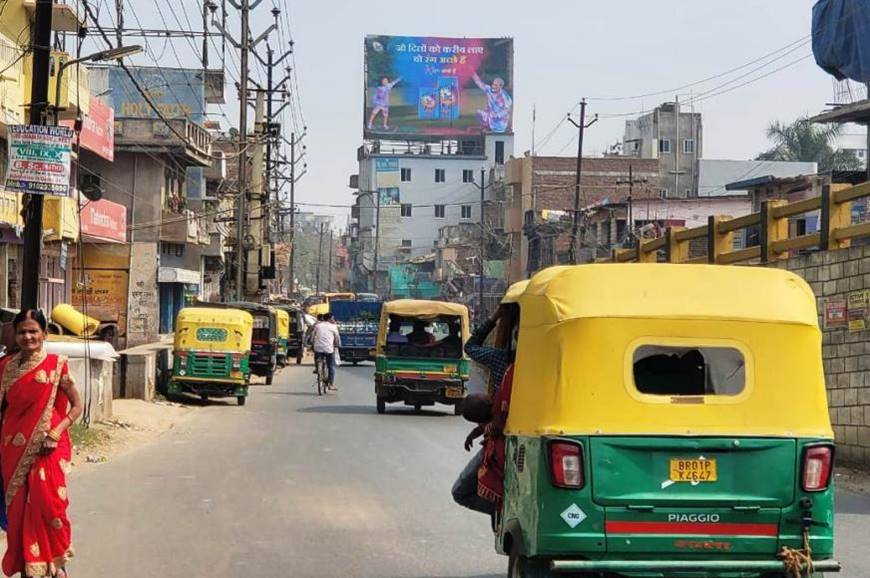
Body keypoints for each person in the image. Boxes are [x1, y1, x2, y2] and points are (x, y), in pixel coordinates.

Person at [0, 309, 83, 578]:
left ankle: (57, 566)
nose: (27, 336)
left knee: (48, 506)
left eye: (33, 331)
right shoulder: (5, 367)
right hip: (12, 448)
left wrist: (56, 433)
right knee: (18, 510)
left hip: (48, 448)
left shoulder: (57, 365)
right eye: (22, 331)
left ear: (44, 334)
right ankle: (29, 568)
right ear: (15, 334)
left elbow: (77, 405)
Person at [312, 313, 341, 390]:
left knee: (317, 354)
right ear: (329, 319)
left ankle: (317, 367)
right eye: (332, 318)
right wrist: (337, 345)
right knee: (331, 366)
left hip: (318, 348)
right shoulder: (333, 327)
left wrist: (312, 343)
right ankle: (330, 384)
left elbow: (312, 335)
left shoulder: (317, 326)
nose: (333, 320)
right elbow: (337, 338)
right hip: (328, 349)